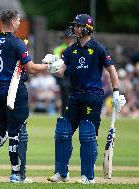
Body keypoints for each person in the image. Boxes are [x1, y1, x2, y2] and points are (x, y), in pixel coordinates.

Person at [0, 9, 58, 183]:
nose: (19, 23)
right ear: (12, 22)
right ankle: (17, 174)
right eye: (18, 21)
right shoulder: (17, 43)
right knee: (17, 131)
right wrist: (49, 67)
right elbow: (31, 68)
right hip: (14, 91)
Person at [46, 14, 126, 184]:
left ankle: (88, 176)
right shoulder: (70, 50)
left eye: (78, 25)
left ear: (87, 28)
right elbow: (61, 71)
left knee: (87, 133)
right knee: (62, 130)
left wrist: (116, 93)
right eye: (74, 25)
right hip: (75, 96)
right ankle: (61, 173)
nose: (75, 28)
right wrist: (51, 66)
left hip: (93, 96)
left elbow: (112, 71)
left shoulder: (98, 48)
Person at [53, 29, 75, 114]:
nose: (68, 39)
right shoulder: (59, 49)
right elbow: (59, 61)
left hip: (75, 76)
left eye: (69, 38)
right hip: (64, 76)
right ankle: (64, 115)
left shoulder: (76, 48)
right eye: (66, 38)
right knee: (65, 98)